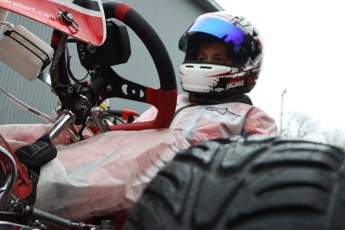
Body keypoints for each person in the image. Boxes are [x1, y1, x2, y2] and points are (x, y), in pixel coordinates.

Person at [136, 11, 278, 143]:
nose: (204, 65)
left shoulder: (251, 117)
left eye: (219, 60)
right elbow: (130, 138)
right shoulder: (172, 104)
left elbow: (263, 164)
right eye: (202, 59)